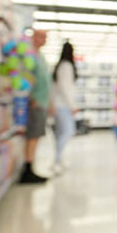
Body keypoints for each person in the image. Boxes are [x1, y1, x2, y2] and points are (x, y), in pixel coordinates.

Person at [19, 29, 50, 184]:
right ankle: (28, 169)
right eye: (40, 36)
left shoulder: (41, 56)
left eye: (45, 37)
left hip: (42, 102)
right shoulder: (29, 56)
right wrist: (31, 97)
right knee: (32, 136)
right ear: (33, 37)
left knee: (37, 136)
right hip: (35, 102)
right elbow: (25, 78)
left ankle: (31, 166)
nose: (43, 39)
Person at [51, 41, 78, 174]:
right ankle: (57, 161)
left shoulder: (60, 65)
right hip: (63, 105)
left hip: (60, 104)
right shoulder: (67, 66)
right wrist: (72, 105)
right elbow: (65, 87)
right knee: (67, 131)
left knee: (61, 133)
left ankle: (59, 160)